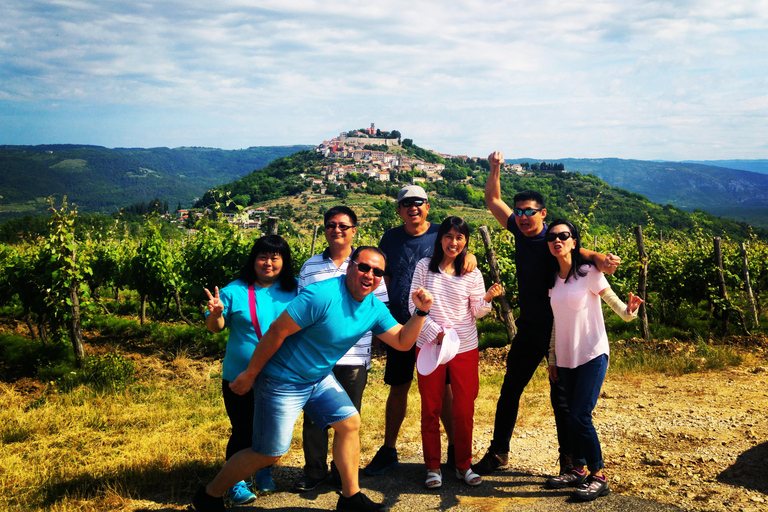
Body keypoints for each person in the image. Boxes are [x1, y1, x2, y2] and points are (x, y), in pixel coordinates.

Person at [193, 247, 434, 512]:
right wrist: (250, 374)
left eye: (378, 272)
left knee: (350, 424)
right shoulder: (322, 294)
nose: (370, 275)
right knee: (269, 453)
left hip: (317, 378)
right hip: (281, 379)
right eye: (364, 267)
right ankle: (209, 495)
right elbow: (276, 332)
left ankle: (350, 498)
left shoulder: (373, 307)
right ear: (351, 266)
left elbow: (402, 341)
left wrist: (420, 313)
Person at [475, 151, 621, 477]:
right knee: (510, 391)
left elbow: (584, 252)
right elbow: (492, 198)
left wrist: (601, 257)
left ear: (543, 213)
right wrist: (495, 167)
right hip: (529, 328)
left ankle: (570, 463)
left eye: (530, 212)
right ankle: (499, 453)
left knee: (563, 402)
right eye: (520, 211)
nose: (524, 216)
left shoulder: (553, 241)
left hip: (560, 331)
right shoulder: (517, 228)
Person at [365, 185, 476, 476]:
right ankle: (389, 450)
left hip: (439, 332)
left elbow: (461, 251)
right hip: (402, 326)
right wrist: (381, 324)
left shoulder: (441, 233)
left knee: (446, 392)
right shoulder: (390, 238)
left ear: (428, 206)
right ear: (399, 210)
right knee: (398, 386)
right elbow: (382, 281)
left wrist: (472, 256)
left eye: (418, 203)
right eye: (406, 204)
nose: (412, 208)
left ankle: (454, 451)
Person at [544, 219, 643, 500]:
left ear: (575, 241)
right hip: (565, 358)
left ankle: (599, 476)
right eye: (552, 237)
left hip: (591, 354)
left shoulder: (589, 272)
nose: (557, 240)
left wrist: (630, 310)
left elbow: (617, 306)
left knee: (579, 415)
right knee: (571, 417)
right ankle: (577, 469)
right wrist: (552, 358)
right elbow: (556, 322)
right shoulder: (553, 278)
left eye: (564, 235)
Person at [294, 206, 388, 492]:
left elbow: (379, 307)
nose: (337, 230)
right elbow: (298, 311)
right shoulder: (310, 266)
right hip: (316, 358)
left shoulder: (367, 265)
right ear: (325, 229)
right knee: (313, 419)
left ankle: (342, 473)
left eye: (343, 226)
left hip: (355, 355)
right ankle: (314, 471)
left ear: (354, 230)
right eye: (331, 225)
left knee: (348, 418)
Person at [409, 216, 503, 489]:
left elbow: (476, 311)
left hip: (463, 347)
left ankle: (463, 464)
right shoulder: (424, 267)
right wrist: (433, 330)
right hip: (430, 345)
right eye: (449, 236)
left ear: (466, 242)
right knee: (431, 407)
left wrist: (486, 299)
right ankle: (433, 467)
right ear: (440, 239)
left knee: (464, 409)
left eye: (460, 237)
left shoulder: (472, 273)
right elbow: (411, 304)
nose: (453, 242)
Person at [204, 234, 298, 505]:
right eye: (263, 257)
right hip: (240, 375)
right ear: (254, 260)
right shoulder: (235, 290)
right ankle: (235, 482)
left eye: (275, 257)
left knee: (272, 429)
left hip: (280, 376)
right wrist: (215, 313)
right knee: (243, 429)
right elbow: (215, 328)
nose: (268, 263)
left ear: (284, 262)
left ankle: (263, 470)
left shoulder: (294, 290)